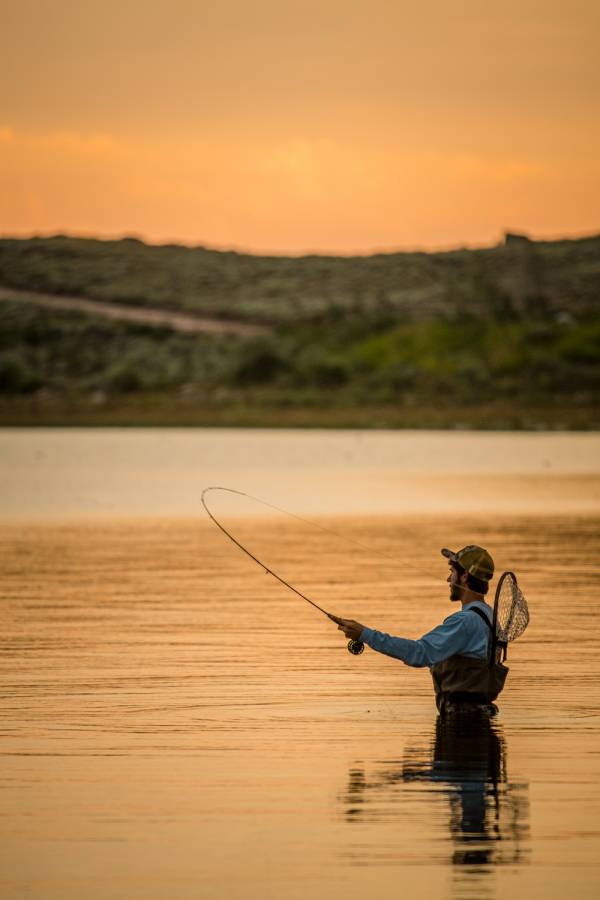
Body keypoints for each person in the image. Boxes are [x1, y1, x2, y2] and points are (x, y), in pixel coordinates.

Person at [330, 545, 507, 716]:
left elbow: (418, 653)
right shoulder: (488, 616)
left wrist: (364, 634)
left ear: (464, 576)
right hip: (479, 721)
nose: (448, 580)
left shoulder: (465, 622)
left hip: (462, 727)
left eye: (452, 572)